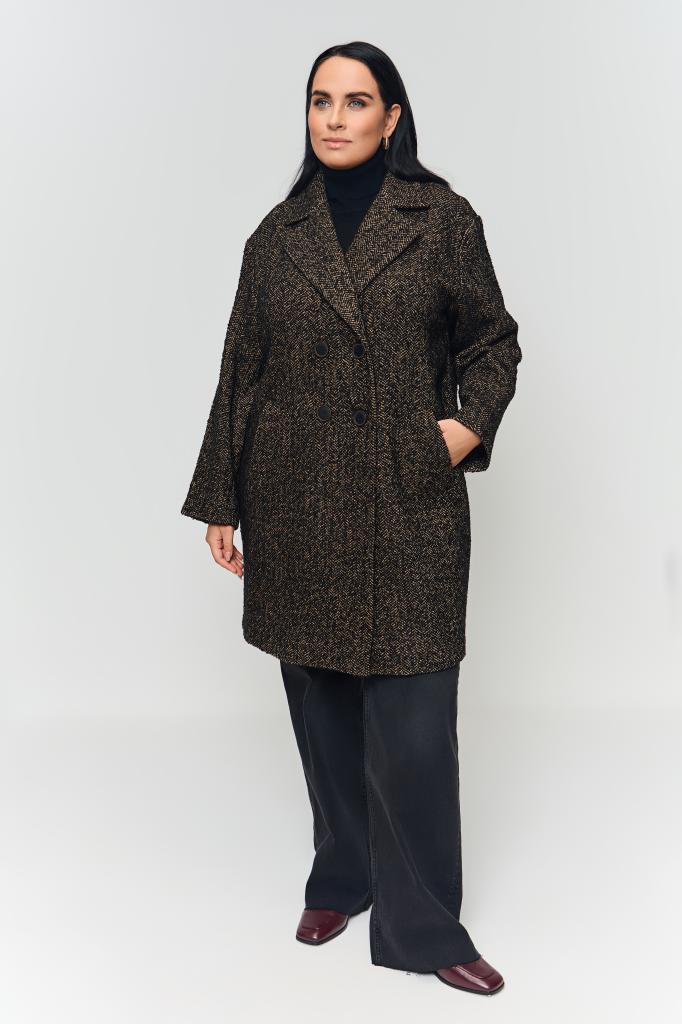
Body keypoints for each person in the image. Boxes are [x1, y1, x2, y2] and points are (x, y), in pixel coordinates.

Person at [180, 40, 522, 996]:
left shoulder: (441, 220)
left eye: (356, 101)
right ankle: (343, 876)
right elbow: (241, 370)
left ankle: (426, 925)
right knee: (323, 709)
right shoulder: (276, 235)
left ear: (392, 117)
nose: (334, 118)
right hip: (294, 499)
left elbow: (493, 343)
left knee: (414, 723)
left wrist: (461, 431)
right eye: (320, 101)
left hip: (407, 499)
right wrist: (220, 498)